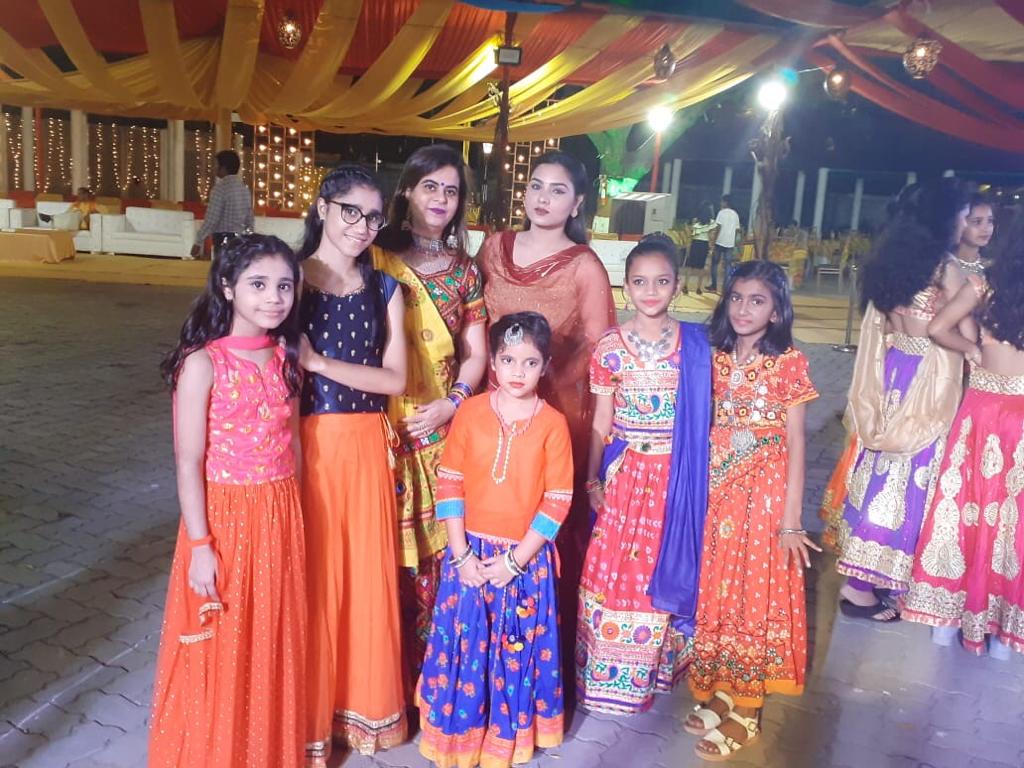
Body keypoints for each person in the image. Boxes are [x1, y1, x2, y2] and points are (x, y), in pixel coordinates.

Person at [150, 234, 307, 768]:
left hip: (280, 512)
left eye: (284, 286)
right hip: (225, 518)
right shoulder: (203, 363)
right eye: (258, 284)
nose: (274, 298)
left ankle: (263, 751)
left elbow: (295, 444)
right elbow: (188, 460)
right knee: (225, 636)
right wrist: (200, 545)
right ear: (227, 287)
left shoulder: (287, 356)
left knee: (269, 636)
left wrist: (297, 515)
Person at [477, 150, 616, 684]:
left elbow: (599, 350)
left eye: (558, 190)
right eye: (536, 185)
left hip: (553, 413)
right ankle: (479, 638)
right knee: (487, 513)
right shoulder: (494, 248)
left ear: (577, 203)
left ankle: (536, 656)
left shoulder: (584, 266)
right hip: (490, 407)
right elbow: (474, 323)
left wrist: (538, 386)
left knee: (540, 521)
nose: (543, 198)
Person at [417, 312, 572, 768]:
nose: (517, 372)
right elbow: (450, 481)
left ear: (546, 366)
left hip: (523, 563)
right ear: (493, 362)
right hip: (468, 556)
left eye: (530, 362)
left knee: (513, 651)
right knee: (466, 647)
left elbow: (557, 501)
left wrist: (514, 563)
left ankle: (506, 741)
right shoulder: (470, 413)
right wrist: (461, 554)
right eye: (508, 360)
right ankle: (462, 738)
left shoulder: (553, 424)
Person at [296, 165, 408, 764]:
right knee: (313, 579)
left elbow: (395, 379)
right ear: (321, 207)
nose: (362, 227)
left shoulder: (386, 288)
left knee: (364, 577)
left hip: (365, 443)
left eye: (373, 217)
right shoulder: (287, 281)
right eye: (350, 211)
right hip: (304, 443)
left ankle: (362, 712)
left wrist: (319, 365)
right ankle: (306, 717)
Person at [686, 261, 819, 761]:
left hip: (764, 499)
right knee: (719, 590)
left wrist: (791, 520)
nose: (744, 309)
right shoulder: (715, 357)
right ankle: (724, 688)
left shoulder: (788, 362)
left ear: (777, 310)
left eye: (757, 300)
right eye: (737, 298)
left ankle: (748, 708)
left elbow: (797, 442)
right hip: (718, 492)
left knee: (754, 597)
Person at [576, 235, 712, 715]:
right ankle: (608, 674)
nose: (650, 291)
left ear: (677, 284)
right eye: (639, 282)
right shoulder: (610, 349)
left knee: (662, 568)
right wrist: (591, 480)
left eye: (661, 281)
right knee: (617, 571)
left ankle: (654, 671)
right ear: (625, 286)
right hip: (626, 475)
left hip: (677, 479)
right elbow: (600, 420)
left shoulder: (696, 345)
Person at [824, 180, 968, 621]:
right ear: (946, 218)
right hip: (929, 378)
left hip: (892, 371)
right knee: (912, 475)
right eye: (965, 215)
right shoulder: (945, 269)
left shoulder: (890, 260)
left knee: (882, 470)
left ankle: (870, 577)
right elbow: (959, 332)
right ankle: (865, 586)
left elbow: (884, 325)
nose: (966, 224)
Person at [372, 145, 488, 686]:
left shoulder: (464, 271)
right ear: (407, 191)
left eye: (451, 191)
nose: (441, 199)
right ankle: (384, 683)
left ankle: (435, 683)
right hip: (383, 430)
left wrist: (452, 403)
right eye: (430, 187)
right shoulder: (376, 257)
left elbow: (476, 352)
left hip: (442, 432)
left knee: (440, 559)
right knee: (383, 556)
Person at [904, 211, 1024, 659]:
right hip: (1020, 413)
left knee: (964, 508)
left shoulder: (983, 286)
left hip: (981, 411)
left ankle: (945, 623)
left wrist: (974, 349)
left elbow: (938, 328)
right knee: (1012, 519)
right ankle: (1003, 637)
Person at [192, 150, 255, 260]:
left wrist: (198, 241)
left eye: (216, 165)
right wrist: (250, 238)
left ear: (223, 168)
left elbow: (211, 219)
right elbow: (249, 218)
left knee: (222, 268)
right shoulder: (244, 189)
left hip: (223, 239)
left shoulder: (220, 189)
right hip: (240, 239)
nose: (214, 168)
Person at [946, 193, 995, 290]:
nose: (986, 229)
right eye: (977, 222)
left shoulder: (993, 266)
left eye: (990, 221)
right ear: (959, 222)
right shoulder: (945, 266)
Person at [706, 195, 741, 292]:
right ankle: (725, 288)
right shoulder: (735, 214)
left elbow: (718, 228)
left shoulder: (721, 213)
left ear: (725, 202)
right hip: (730, 244)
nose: (720, 203)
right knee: (728, 266)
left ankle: (714, 286)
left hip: (719, 241)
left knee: (714, 264)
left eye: (722, 201)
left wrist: (713, 241)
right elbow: (737, 230)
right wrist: (733, 240)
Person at [683, 202, 716, 295]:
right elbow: (711, 236)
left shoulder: (695, 220)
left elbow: (691, 233)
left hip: (695, 243)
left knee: (690, 266)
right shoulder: (711, 222)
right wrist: (711, 247)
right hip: (704, 244)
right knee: (701, 267)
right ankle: (698, 288)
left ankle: (685, 286)